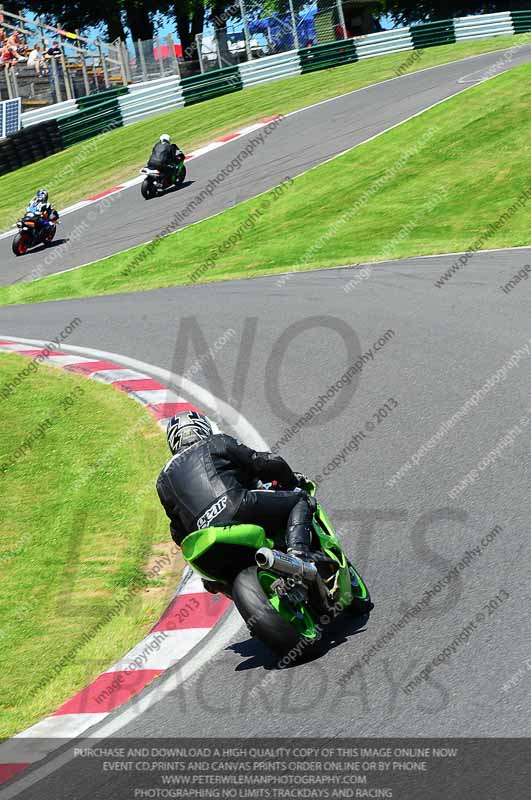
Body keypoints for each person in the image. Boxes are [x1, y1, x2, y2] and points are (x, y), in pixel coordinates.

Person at [156, 411, 316, 576]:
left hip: (205, 540)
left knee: (210, 580)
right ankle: (299, 558)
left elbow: (178, 531)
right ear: (203, 429)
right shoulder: (216, 441)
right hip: (237, 506)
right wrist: (291, 481)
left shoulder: (162, 481)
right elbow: (261, 462)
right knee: (300, 499)